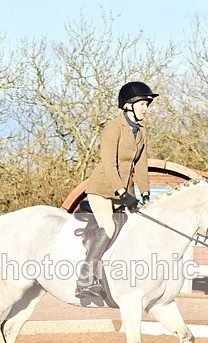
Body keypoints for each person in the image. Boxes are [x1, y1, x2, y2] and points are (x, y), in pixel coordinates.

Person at [75, 81, 158, 299]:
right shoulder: (113, 128)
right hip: (102, 188)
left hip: (125, 191)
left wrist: (146, 192)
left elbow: (140, 164)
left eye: (147, 104)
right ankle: (84, 279)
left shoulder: (141, 132)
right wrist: (122, 193)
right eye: (142, 104)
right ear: (128, 105)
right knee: (109, 227)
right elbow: (109, 163)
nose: (145, 108)